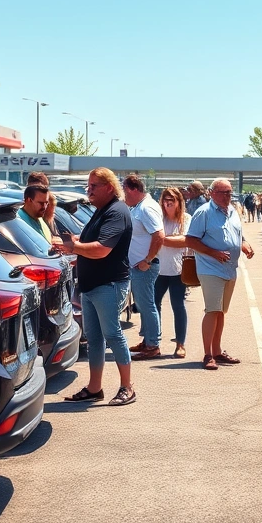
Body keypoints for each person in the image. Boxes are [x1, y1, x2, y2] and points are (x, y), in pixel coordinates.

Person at [61, 167, 136, 406]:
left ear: (109, 188)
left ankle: (127, 387)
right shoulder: (101, 211)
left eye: (94, 186)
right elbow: (89, 243)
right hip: (92, 286)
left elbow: (102, 248)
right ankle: (95, 388)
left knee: (113, 335)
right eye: (89, 185)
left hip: (108, 285)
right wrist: (71, 243)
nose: (88, 190)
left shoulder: (116, 212)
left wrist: (73, 247)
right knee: (94, 339)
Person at [185, 178, 255, 370]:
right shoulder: (204, 212)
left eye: (229, 193)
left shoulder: (233, 211)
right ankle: (208, 354)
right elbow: (190, 240)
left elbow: (237, 235)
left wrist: (244, 245)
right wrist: (213, 253)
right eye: (223, 192)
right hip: (210, 268)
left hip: (229, 268)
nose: (227, 196)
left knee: (221, 311)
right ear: (212, 193)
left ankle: (217, 350)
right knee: (212, 310)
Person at [123, 174, 165, 360]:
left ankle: (153, 345)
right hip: (138, 265)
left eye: (125, 191)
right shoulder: (140, 207)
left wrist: (147, 260)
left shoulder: (147, 208)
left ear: (133, 189)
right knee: (143, 304)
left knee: (147, 305)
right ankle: (147, 340)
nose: (124, 195)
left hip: (145, 267)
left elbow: (159, 235)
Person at [155, 187, 192, 358]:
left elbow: (185, 241)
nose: (168, 203)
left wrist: (162, 240)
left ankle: (180, 344)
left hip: (178, 270)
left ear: (179, 202)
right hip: (157, 269)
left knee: (178, 305)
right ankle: (153, 342)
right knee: (153, 306)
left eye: (172, 200)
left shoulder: (186, 219)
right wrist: (170, 240)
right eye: (165, 200)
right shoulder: (158, 219)